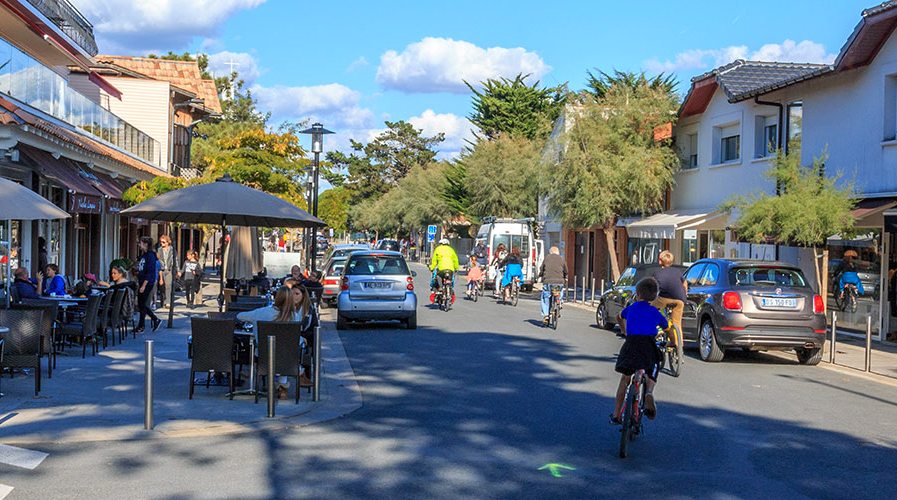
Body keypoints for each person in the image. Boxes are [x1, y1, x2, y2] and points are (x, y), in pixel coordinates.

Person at [611, 277, 669, 424]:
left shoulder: (631, 308)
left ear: (638, 294)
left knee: (625, 378)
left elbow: (619, 317)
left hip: (631, 344)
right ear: (654, 296)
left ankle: (617, 414)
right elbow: (667, 327)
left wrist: (624, 330)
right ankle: (649, 391)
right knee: (653, 368)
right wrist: (672, 343)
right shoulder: (655, 312)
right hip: (648, 346)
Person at [651, 250, 687, 346]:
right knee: (677, 322)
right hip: (680, 300)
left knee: (650, 308)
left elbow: (653, 286)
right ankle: (679, 346)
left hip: (664, 298)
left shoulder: (657, 273)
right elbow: (684, 283)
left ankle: (658, 327)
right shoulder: (678, 271)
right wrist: (684, 294)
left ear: (660, 261)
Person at [136, 236, 161, 333]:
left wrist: (143, 285)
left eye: (140, 243)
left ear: (145, 244)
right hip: (142, 281)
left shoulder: (150, 256)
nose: (139, 245)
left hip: (147, 283)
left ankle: (154, 319)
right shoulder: (144, 255)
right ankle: (141, 325)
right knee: (141, 304)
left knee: (143, 304)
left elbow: (150, 272)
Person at [539, 246, 568, 324]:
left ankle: (546, 315)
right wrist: (564, 277)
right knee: (560, 290)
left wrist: (540, 275)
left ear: (550, 252)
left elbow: (542, 269)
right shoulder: (562, 259)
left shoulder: (547, 258)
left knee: (545, 298)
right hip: (560, 281)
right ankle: (559, 301)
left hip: (548, 281)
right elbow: (566, 270)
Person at [157, 235, 179, 309]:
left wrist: (177, 270)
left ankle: (168, 302)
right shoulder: (159, 250)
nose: (161, 244)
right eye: (161, 242)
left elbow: (175, 260)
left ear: (167, 242)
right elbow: (158, 259)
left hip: (169, 269)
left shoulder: (172, 250)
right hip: (162, 270)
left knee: (168, 285)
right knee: (162, 287)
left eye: (163, 242)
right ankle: (162, 301)